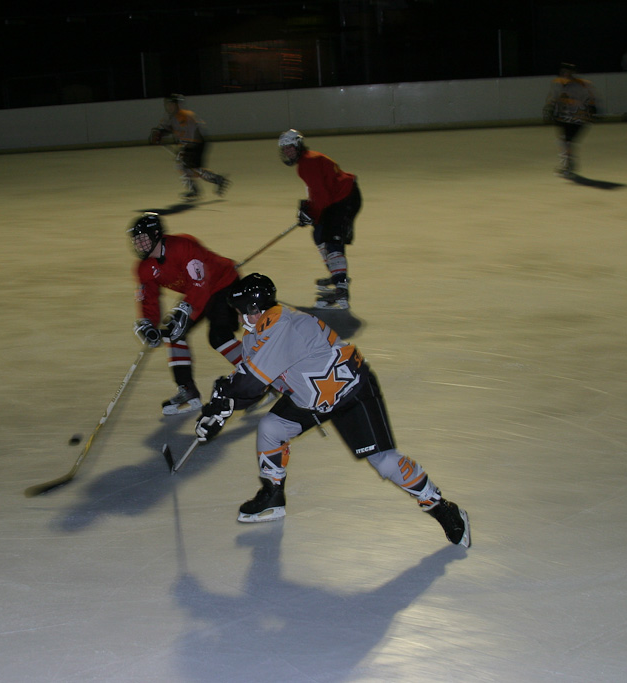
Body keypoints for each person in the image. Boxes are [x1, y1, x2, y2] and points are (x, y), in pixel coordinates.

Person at [193, 273, 471, 547]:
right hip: (310, 396)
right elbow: (256, 386)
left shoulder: (281, 324)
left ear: (253, 308)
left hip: (350, 390)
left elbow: (249, 384)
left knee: (384, 461)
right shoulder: (256, 335)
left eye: (240, 311)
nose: (238, 317)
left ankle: (441, 506)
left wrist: (225, 397)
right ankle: (273, 496)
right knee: (271, 428)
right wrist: (222, 409)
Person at [128, 212, 242, 415]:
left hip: (223, 283)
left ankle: (258, 374)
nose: (139, 244)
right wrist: (149, 324)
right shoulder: (144, 268)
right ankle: (187, 390)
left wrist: (186, 310)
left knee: (219, 337)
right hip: (198, 292)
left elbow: (199, 284)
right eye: (136, 240)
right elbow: (149, 300)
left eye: (143, 238)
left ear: (156, 234)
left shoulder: (183, 246)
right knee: (173, 333)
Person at [277, 129, 361, 310]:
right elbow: (318, 192)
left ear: (298, 145)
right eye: (284, 149)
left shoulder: (308, 163)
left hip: (344, 199)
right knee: (319, 234)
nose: (287, 152)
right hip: (336, 200)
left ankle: (341, 287)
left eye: (290, 147)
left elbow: (323, 197)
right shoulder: (305, 162)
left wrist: (312, 214)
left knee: (332, 240)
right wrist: (310, 210)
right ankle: (337, 274)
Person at [149, 94, 230, 201]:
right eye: (167, 104)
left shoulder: (185, 116)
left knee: (189, 168)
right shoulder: (172, 117)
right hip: (189, 145)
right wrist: (160, 133)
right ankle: (215, 180)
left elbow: (191, 134)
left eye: (171, 104)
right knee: (188, 168)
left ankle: (205, 186)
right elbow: (168, 128)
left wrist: (187, 151)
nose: (169, 107)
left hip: (196, 144)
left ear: (177, 105)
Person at [543, 63, 599, 178]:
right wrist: (550, 107)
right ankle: (567, 164)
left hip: (578, 118)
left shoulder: (582, 84)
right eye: (563, 71)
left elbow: (590, 99)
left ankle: (568, 165)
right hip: (563, 117)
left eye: (567, 71)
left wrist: (592, 111)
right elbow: (553, 97)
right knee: (564, 142)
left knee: (567, 142)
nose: (565, 74)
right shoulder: (557, 83)